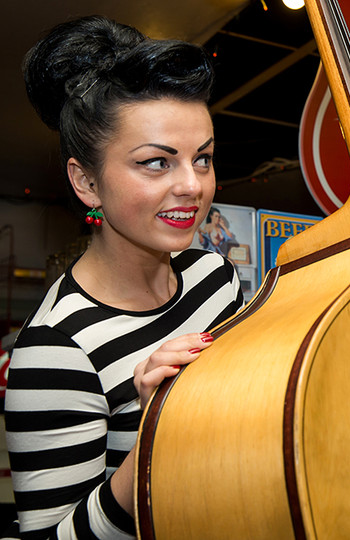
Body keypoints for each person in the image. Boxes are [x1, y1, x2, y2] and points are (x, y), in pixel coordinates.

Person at [4, 16, 244, 539]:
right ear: (87, 182)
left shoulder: (217, 278)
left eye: (203, 159)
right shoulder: (57, 348)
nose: (192, 186)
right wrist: (158, 431)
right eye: (157, 163)